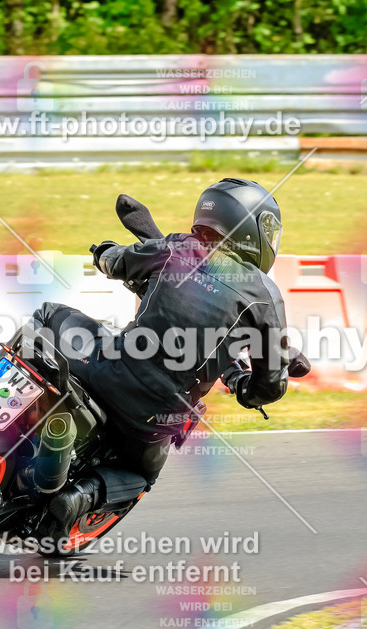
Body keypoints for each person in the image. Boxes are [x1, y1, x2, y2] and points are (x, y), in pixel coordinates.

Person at [33, 178, 310, 543]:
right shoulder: (264, 294)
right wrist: (245, 389)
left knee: (49, 314)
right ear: (250, 227)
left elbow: (117, 263)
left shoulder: (178, 246)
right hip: (157, 414)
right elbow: (271, 385)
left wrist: (103, 252)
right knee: (143, 474)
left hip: (107, 371)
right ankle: (79, 497)